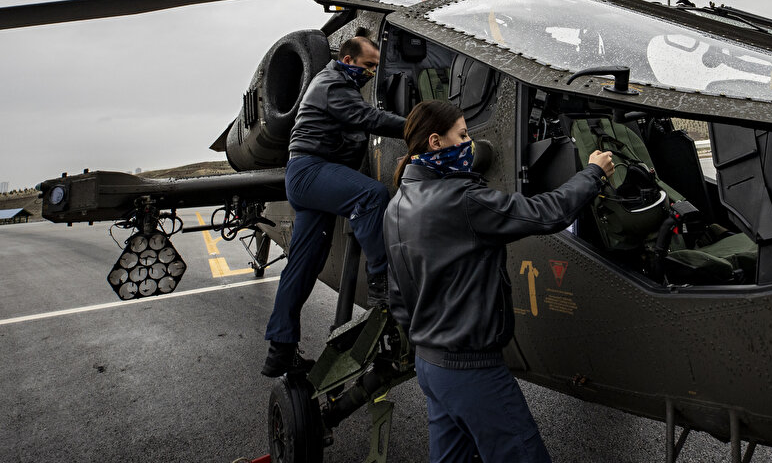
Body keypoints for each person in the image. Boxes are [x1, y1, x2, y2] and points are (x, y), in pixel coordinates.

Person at [384, 100, 616, 463]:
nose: (469, 143)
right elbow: (543, 214)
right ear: (435, 142)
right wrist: (592, 174)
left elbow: (397, 297)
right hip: (471, 370)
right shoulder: (462, 201)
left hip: (431, 366)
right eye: (462, 135)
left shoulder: (396, 206)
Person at [262, 30, 406, 377]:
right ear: (347, 61)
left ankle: (280, 349)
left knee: (303, 264)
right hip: (311, 170)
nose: (372, 72)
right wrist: (418, 127)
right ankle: (381, 286)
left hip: (308, 175)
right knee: (372, 196)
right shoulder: (333, 84)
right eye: (369, 66)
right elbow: (368, 119)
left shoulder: (336, 84)